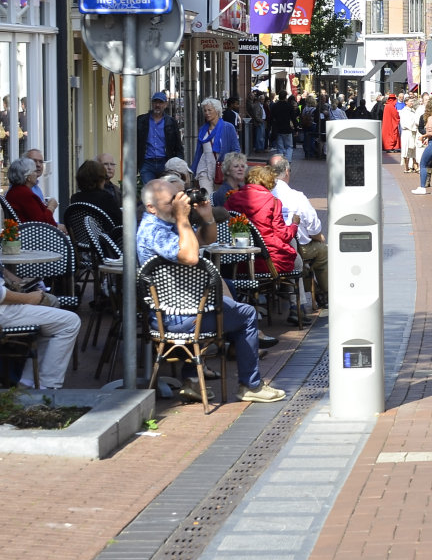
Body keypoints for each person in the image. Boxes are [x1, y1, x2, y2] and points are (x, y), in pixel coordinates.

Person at [136, 178, 284, 403]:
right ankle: (250, 385)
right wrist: (182, 218)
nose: (177, 204)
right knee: (246, 314)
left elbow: (202, 241)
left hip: (178, 311)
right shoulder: (156, 231)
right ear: (151, 207)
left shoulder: (164, 223)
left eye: (179, 198)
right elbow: (191, 256)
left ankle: (193, 380)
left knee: (228, 290)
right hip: (178, 318)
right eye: (170, 202)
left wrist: (207, 218)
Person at [0, 182, 80, 389]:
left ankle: (28, 382)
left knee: (52, 318)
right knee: (70, 322)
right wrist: (30, 298)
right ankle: (47, 387)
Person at [269, 154, 328, 314]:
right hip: (292, 248)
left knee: (303, 259)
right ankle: (325, 293)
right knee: (322, 252)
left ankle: (316, 290)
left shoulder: (265, 195)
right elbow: (314, 228)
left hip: (268, 249)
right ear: (287, 171)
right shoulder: (296, 196)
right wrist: (320, 238)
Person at [226, 164, 302, 278]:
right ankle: (289, 289)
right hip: (268, 260)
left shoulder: (232, 198)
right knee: (297, 262)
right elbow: (283, 234)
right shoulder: (273, 201)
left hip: (238, 261)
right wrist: (294, 224)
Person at [193, 97, 241, 196]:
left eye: (209, 110)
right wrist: (193, 170)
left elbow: (236, 150)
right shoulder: (203, 129)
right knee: (207, 198)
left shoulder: (228, 127)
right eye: (205, 111)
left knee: (221, 199)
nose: (207, 113)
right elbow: (198, 152)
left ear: (217, 111)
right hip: (205, 168)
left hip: (222, 169)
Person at [136, 91, 183, 186]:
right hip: (147, 163)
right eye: (155, 102)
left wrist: (178, 163)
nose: (157, 105)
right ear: (152, 103)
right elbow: (135, 143)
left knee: (165, 190)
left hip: (165, 163)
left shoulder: (171, 122)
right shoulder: (141, 120)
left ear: (165, 104)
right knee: (150, 191)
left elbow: (178, 145)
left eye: (160, 102)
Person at [4, 157, 60, 226]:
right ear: (28, 176)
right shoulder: (25, 195)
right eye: (35, 171)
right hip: (34, 231)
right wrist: (51, 206)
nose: (37, 175)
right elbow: (42, 222)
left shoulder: (15, 191)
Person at [269, 91, 298, 160]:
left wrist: (271, 127)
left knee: (280, 147)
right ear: (285, 97)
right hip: (287, 128)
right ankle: (288, 160)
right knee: (289, 146)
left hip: (278, 129)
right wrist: (296, 129)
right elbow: (293, 118)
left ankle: (280, 161)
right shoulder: (289, 106)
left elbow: (271, 118)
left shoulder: (275, 106)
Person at [399, 94, 421, 173]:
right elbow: (405, 122)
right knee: (406, 149)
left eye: (412, 101)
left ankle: (415, 165)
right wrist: (413, 125)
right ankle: (406, 167)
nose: (412, 103)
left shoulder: (413, 110)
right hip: (407, 132)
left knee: (414, 148)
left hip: (413, 132)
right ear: (406, 102)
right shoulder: (404, 111)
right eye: (410, 101)